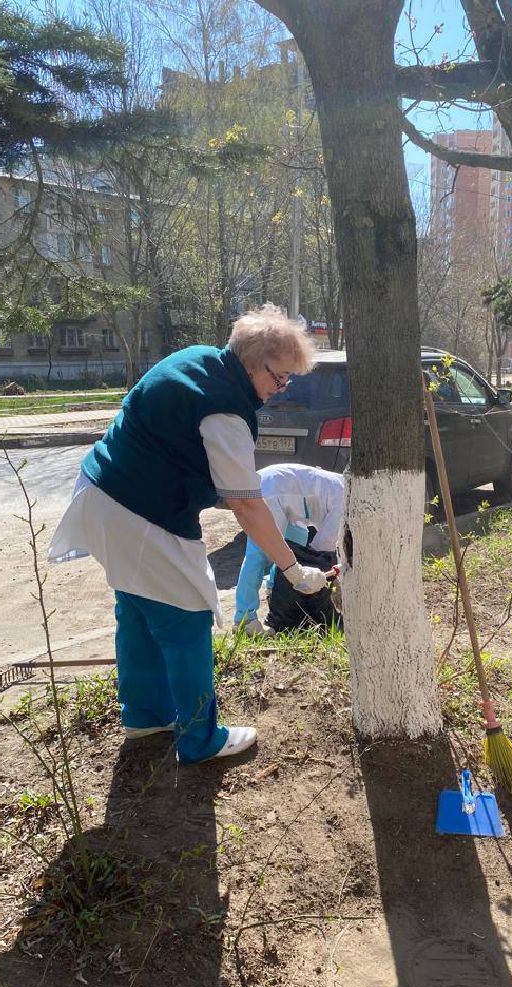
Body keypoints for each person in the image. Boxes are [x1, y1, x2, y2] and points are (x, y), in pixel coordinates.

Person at [48, 305, 328, 765]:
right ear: (254, 362)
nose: (280, 391)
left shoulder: (198, 360)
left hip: (100, 492)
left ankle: (144, 714)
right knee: (189, 618)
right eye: (279, 379)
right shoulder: (225, 409)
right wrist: (293, 569)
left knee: (136, 607)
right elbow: (246, 504)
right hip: (143, 512)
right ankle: (200, 739)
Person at [234, 463, 344, 635]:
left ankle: (274, 591)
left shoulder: (346, 488)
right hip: (271, 493)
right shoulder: (345, 504)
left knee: (293, 548)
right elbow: (321, 550)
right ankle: (245, 618)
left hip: (282, 492)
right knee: (259, 554)